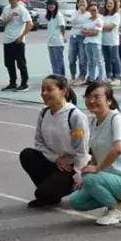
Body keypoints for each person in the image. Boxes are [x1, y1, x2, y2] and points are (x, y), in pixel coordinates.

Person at [68, 82, 121, 225]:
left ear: (109, 100)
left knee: (90, 178)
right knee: (76, 201)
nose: (91, 101)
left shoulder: (117, 119)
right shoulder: (93, 122)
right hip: (108, 178)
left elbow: (118, 148)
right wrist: (87, 173)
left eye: (97, 97)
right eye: (88, 97)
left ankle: (115, 209)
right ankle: (119, 202)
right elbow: (95, 154)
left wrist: (97, 169)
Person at [19, 75, 90, 207]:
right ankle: (50, 192)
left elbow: (82, 150)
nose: (44, 93)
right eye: (42, 90)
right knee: (27, 154)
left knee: (41, 194)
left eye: (49, 89)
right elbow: (39, 143)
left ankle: (65, 189)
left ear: (63, 91)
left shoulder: (75, 116)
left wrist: (78, 176)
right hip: (54, 162)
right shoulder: (43, 113)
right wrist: (56, 158)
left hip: (71, 167)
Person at [0, 0, 33, 92]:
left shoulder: (22, 9)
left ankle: (24, 84)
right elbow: (1, 24)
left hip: (17, 41)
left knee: (21, 63)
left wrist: (21, 36)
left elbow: (30, 24)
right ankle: (12, 83)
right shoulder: (6, 9)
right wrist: (7, 20)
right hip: (7, 40)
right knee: (9, 63)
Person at [81, 2, 105, 85]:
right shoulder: (87, 20)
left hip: (96, 43)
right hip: (87, 43)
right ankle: (91, 78)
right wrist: (90, 30)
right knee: (90, 62)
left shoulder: (99, 20)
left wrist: (88, 31)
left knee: (99, 61)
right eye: (91, 10)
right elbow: (83, 32)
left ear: (98, 10)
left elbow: (96, 32)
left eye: (94, 10)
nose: (93, 12)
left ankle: (100, 79)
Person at [100, 0, 121, 87]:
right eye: (107, 3)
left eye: (111, 3)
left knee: (115, 58)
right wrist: (103, 26)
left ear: (114, 5)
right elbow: (101, 25)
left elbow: (110, 27)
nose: (109, 5)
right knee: (107, 59)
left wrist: (101, 26)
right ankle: (109, 76)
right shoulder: (103, 15)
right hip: (104, 41)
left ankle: (117, 77)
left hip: (113, 41)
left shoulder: (116, 15)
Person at [67, 0, 89, 84]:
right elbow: (72, 22)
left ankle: (82, 77)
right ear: (77, 4)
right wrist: (79, 12)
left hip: (83, 38)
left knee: (83, 58)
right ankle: (73, 76)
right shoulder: (75, 13)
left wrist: (78, 25)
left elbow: (86, 25)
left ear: (87, 4)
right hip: (73, 37)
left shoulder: (88, 14)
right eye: (80, 2)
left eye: (84, 2)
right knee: (71, 58)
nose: (82, 4)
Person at [45, 0, 65, 77]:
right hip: (50, 41)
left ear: (56, 5)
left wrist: (63, 36)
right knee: (53, 60)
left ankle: (60, 76)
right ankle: (56, 75)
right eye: (48, 4)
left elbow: (62, 26)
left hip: (57, 41)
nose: (50, 6)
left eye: (52, 4)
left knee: (58, 60)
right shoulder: (50, 16)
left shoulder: (58, 15)